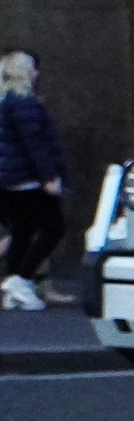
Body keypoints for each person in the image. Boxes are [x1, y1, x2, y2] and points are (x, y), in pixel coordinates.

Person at [0, 50, 69, 311]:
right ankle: (22, 280)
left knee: (21, 232)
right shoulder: (24, 101)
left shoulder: (4, 100)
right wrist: (49, 176)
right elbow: (35, 143)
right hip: (28, 179)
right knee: (54, 228)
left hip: (6, 181)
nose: (37, 73)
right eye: (32, 69)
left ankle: (14, 289)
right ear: (24, 73)